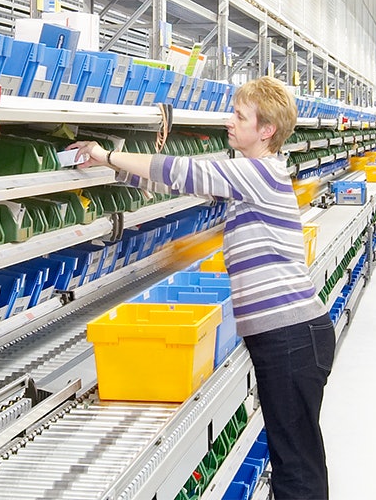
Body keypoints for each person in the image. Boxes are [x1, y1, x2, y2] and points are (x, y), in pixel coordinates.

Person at [70, 76, 334, 500]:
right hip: (289, 336)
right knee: (295, 458)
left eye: (240, 116)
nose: (230, 122)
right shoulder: (252, 177)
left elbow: (185, 171)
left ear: (266, 130)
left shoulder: (259, 173)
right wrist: (113, 170)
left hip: (290, 338)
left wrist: (108, 153)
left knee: (296, 468)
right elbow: (175, 183)